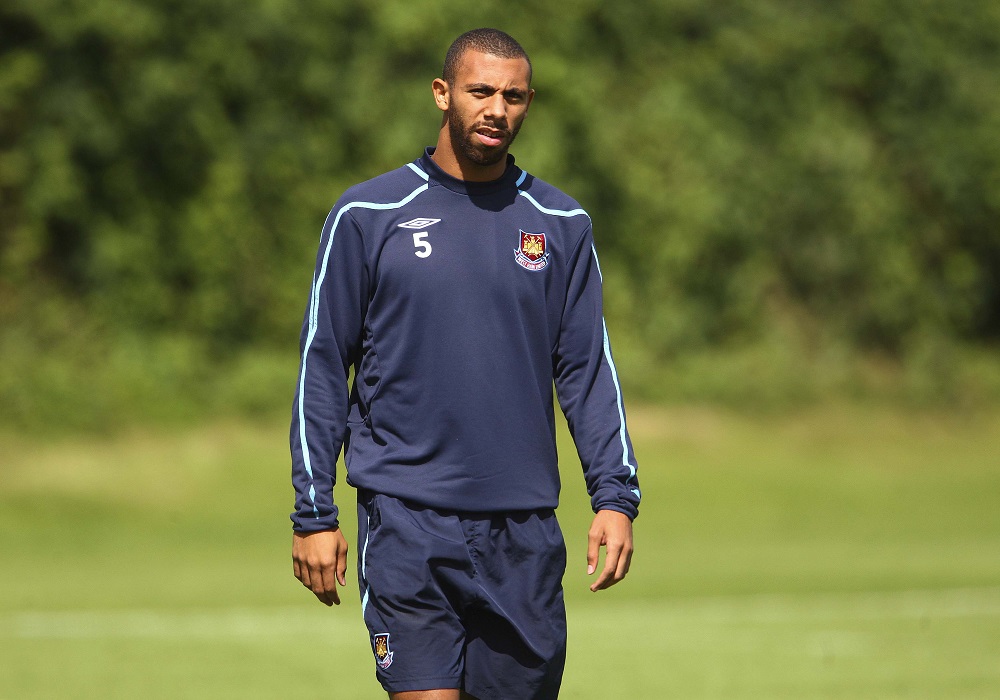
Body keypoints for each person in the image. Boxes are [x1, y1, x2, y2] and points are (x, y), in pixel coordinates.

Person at [289, 27, 641, 700]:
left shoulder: (562, 224)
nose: (496, 109)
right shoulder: (367, 214)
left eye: (513, 96)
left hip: (524, 531)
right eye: (481, 91)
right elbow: (324, 366)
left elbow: (588, 371)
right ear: (442, 93)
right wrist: (315, 513)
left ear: (529, 102)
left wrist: (615, 498)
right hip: (406, 523)